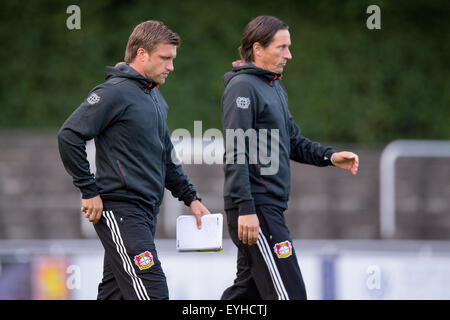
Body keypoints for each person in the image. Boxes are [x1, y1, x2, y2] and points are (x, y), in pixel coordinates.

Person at [57, 20, 210, 300]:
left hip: (145, 213)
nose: (171, 67)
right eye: (165, 58)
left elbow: (166, 157)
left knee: (115, 294)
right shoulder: (112, 92)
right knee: (153, 291)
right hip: (121, 210)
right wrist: (88, 190)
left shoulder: (155, 98)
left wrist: (191, 198)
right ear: (141, 54)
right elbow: (69, 135)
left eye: (172, 59)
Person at [220, 15, 359, 300]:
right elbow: (237, 149)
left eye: (288, 47)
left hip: (267, 207)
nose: (289, 55)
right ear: (258, 49)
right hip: (256, 208)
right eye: (281, 48)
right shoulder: (242, 87)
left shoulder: (274, 87)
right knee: (290, 294)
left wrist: (330, 156)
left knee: (247, 295)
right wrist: (246, 208)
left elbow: (293, 141)